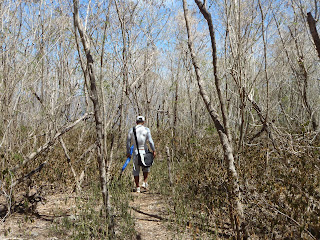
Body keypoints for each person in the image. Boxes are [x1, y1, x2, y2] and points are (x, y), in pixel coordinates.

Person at [126, 116, 156, 193]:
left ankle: (138, 187)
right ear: (143, 122)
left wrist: (128, 152)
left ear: (136, 122)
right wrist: (153, 150)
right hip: (144, 151)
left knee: (136, 169)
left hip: (136, 152)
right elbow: (151, 142)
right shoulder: (146, 130)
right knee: (146, 167)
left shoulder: (131, 130)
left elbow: (128, 142)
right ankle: (144, 182)